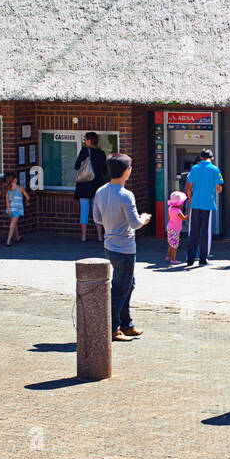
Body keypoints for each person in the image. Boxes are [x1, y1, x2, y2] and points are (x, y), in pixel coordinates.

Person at [93, 154, 150, 341]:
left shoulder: (100, 191)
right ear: (127, 171)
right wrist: (144, 218)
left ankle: (126, 324)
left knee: (128, 284)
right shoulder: (126, 195)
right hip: (125, 247)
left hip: (109, 245)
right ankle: (112, 328)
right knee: (120, 288)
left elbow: (97, 219)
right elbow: (135, 224)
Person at [183, 148, 222, 267]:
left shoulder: (194, 168)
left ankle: (190, 259)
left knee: (193, 232)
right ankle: (203, 259)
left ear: (201, 158)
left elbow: (189, 188)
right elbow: (219, 188)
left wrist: (190, 201)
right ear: (212, 158)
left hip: (195, 204)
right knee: (205, 232)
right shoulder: (215, 169)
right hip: (207, 204)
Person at [74, 133, 108, 243]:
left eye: (85, 139)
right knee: (97, 210)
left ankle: (83, 236)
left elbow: (76, 166)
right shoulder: (101, 153)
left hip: (84, 184)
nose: (84, 141)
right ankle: (99, 236)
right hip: (97, 185)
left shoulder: (84, 151)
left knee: (84, 210)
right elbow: (104, 170)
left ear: (89, 140)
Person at [165, 190, 187, 265]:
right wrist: (190, 213)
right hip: (175, 229)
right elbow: (184, 218)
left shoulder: (170, 208)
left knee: (170, 243)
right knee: (175, 245)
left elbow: (168, 218)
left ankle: (168, 256)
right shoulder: (178, 211)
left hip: (170, 227)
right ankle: (173, 259)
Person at [3, 174, 26, 245]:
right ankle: (8, 241)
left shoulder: (8, 189)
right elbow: (27, 196)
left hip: (10, 209)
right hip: (17, 209)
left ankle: (18, 237)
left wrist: (9, 210)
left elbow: (7, 200)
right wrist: (27, 202)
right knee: (12, 224)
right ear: (15, 180)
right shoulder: (20, 188)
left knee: (14, 223)